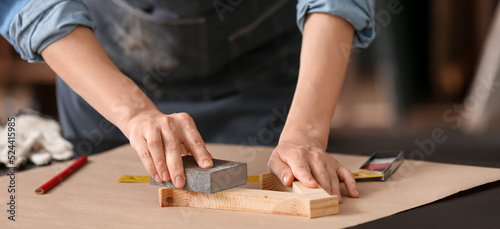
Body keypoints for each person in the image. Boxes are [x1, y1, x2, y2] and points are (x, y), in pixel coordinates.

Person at [1, 0, 375, 201]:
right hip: (107, 80)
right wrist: (132, 112)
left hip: (264, 84)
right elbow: (31, 5)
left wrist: (305, 133)